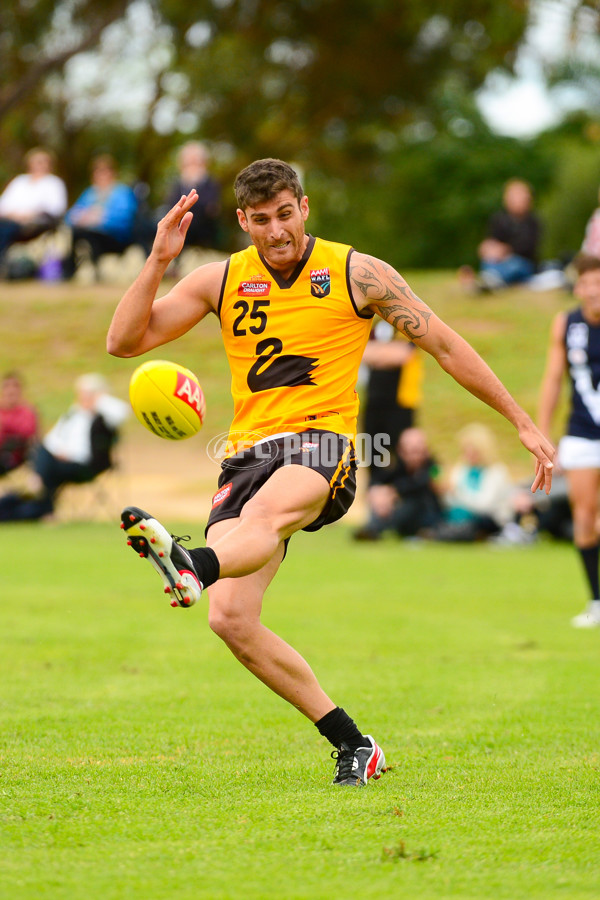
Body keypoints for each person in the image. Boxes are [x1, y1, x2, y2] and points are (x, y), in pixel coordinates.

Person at [107, 158, 554, 787]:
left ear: (304, 209)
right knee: (230, 619)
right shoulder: (219, 279)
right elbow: (124, 342)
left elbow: (446, 344)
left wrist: (522, 421)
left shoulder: (356, 273)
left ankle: (191, 564)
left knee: (260, 522)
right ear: (243, 221)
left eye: (285, 215)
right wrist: (157, 261)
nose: (276, 231)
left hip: (327, 444)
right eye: (261, 220)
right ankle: (354, 743)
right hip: (248, 454)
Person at [539, 252, 600, 627]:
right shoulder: (566, 323)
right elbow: (553, 379)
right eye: (587, 283)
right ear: (577, 286)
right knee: (585, 518)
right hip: (580, 432)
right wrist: (542, 432)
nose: (593, 290)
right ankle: (596, 600)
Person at [0, 373, 127, 522]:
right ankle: (41, 502)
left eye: (86, 394)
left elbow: (122, 411)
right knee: (43, 453)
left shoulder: (102, 417)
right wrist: (59, 451)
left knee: (45, 462)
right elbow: (52, 439)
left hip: (84, 464)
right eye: (81, 394)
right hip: (58, 461)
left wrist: (98, 399)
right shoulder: (73, 413)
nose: (82, 398)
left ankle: (37, 487)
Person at [360, 319, 423, 482]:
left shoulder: (406, 326)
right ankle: (376, 491)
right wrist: (384, 353)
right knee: (371, 454)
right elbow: (358, 352)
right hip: (373, 405)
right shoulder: (374, 328)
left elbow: (401, 355)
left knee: (404, 454)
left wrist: (375, 354)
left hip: (401, 405)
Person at [353, 427, 442, 541]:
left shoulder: (434, 468)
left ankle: (374, 529)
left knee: (412, 502)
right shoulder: (398, 468)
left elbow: (420, 484)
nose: (414, 457)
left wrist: (392, 492)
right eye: (409, 452)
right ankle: (372, 528)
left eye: (417, 451)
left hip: (428, 517)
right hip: (404, 520)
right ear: (402, 452)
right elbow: (378, 480)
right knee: (380, 495)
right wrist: (379, 493)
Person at [430, 423, 513, 542]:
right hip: (463, 516)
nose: (467, 455)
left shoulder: (496, 472)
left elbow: (485, 505)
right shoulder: (461, 469)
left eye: (472, 451)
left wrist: (457, 493)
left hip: (489, 519)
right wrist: (445, 492)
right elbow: (451, 502)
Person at [62, 154, 138, 278]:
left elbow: (126, 219)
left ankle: (80, 271)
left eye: (105, 171)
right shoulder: (89, 193)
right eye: (98, 172)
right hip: (89, 233)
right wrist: (82, 217)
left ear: (113, 173)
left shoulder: (122, 192)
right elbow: (70, 217)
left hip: (115, 237)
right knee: (76, 233)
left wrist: (101, 218)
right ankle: (69, 271)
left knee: (87, 235)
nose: (101, 175)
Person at [460, 178, 542, 292]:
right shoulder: (498, 219)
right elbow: (492, 241)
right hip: (500, 261)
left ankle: (488, 281)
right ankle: (490, 280)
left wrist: (505, 251)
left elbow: (528, 247)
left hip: (523, 263)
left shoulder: (533, 222)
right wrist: (487, 249)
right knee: (489, 261)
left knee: (514, 266)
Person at [0, 147, 67, 267]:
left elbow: (56, 209)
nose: (40, 165)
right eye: (37, 162)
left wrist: (30, 215)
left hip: (37, 223)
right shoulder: (19, 181)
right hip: (10, 220)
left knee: (4, 229)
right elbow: (3, 205)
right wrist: (14, 215)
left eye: (44, 162)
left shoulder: (54, 183)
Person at [162, 142, 221, 251]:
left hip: (203, 232)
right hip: (179, 230)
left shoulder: (211, 183)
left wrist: (194, 186)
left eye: (195, 162)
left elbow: (210, 208)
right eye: (188, 163)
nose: (192, 167)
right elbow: (171, 205)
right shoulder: (177, 185)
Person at [0, 372, 39, 476]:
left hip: (14, 456)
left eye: (15, 386)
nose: (11, 390)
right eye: (7, 386)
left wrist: (4, 425)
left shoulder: (27, 412)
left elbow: (28, 433)